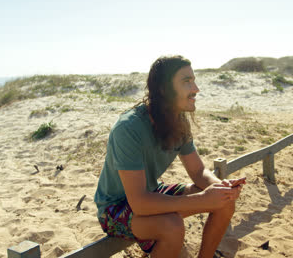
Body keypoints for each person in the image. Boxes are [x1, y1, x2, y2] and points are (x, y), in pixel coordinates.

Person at [94, 55, 246, 258]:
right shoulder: (128, 128)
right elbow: (139, 202)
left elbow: (198, 171)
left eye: (194, 80)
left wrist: (221, 188)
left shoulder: (178, 121)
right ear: (164, 89)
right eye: (186, 82)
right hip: (115, 209)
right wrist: (201, 199)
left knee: (225, 201)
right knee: (172, 225)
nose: (196, 89)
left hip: (151, 193)